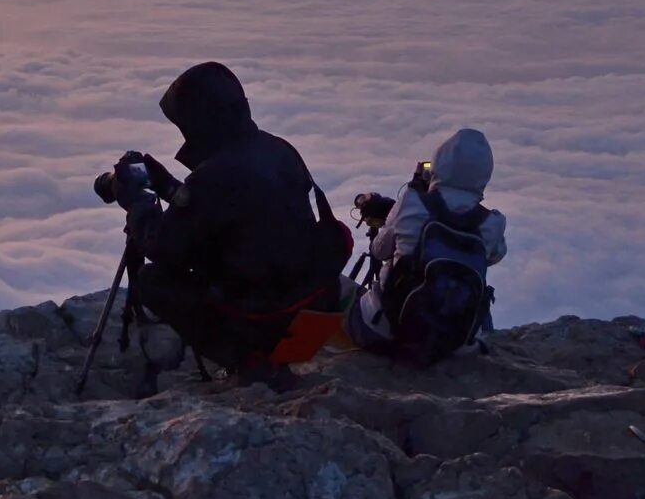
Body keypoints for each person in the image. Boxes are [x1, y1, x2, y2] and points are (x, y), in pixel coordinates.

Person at [105, 61, 347, 383]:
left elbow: (164, 248)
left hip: (269, 315)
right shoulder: (277, 148)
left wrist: (140, 202)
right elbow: (233, 210)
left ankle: (247, 359)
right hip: (315, 302)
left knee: (153, 280)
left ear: (200, 122)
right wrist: (170, 189)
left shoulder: (216, 176)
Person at [346, 127, 508, 362]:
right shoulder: (492, 222)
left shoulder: (412, 202)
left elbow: (379, 250)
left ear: (439, 164)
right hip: (454, 344)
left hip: (389, 332)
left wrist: (398, 215)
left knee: (343, 296)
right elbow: (493, 256)